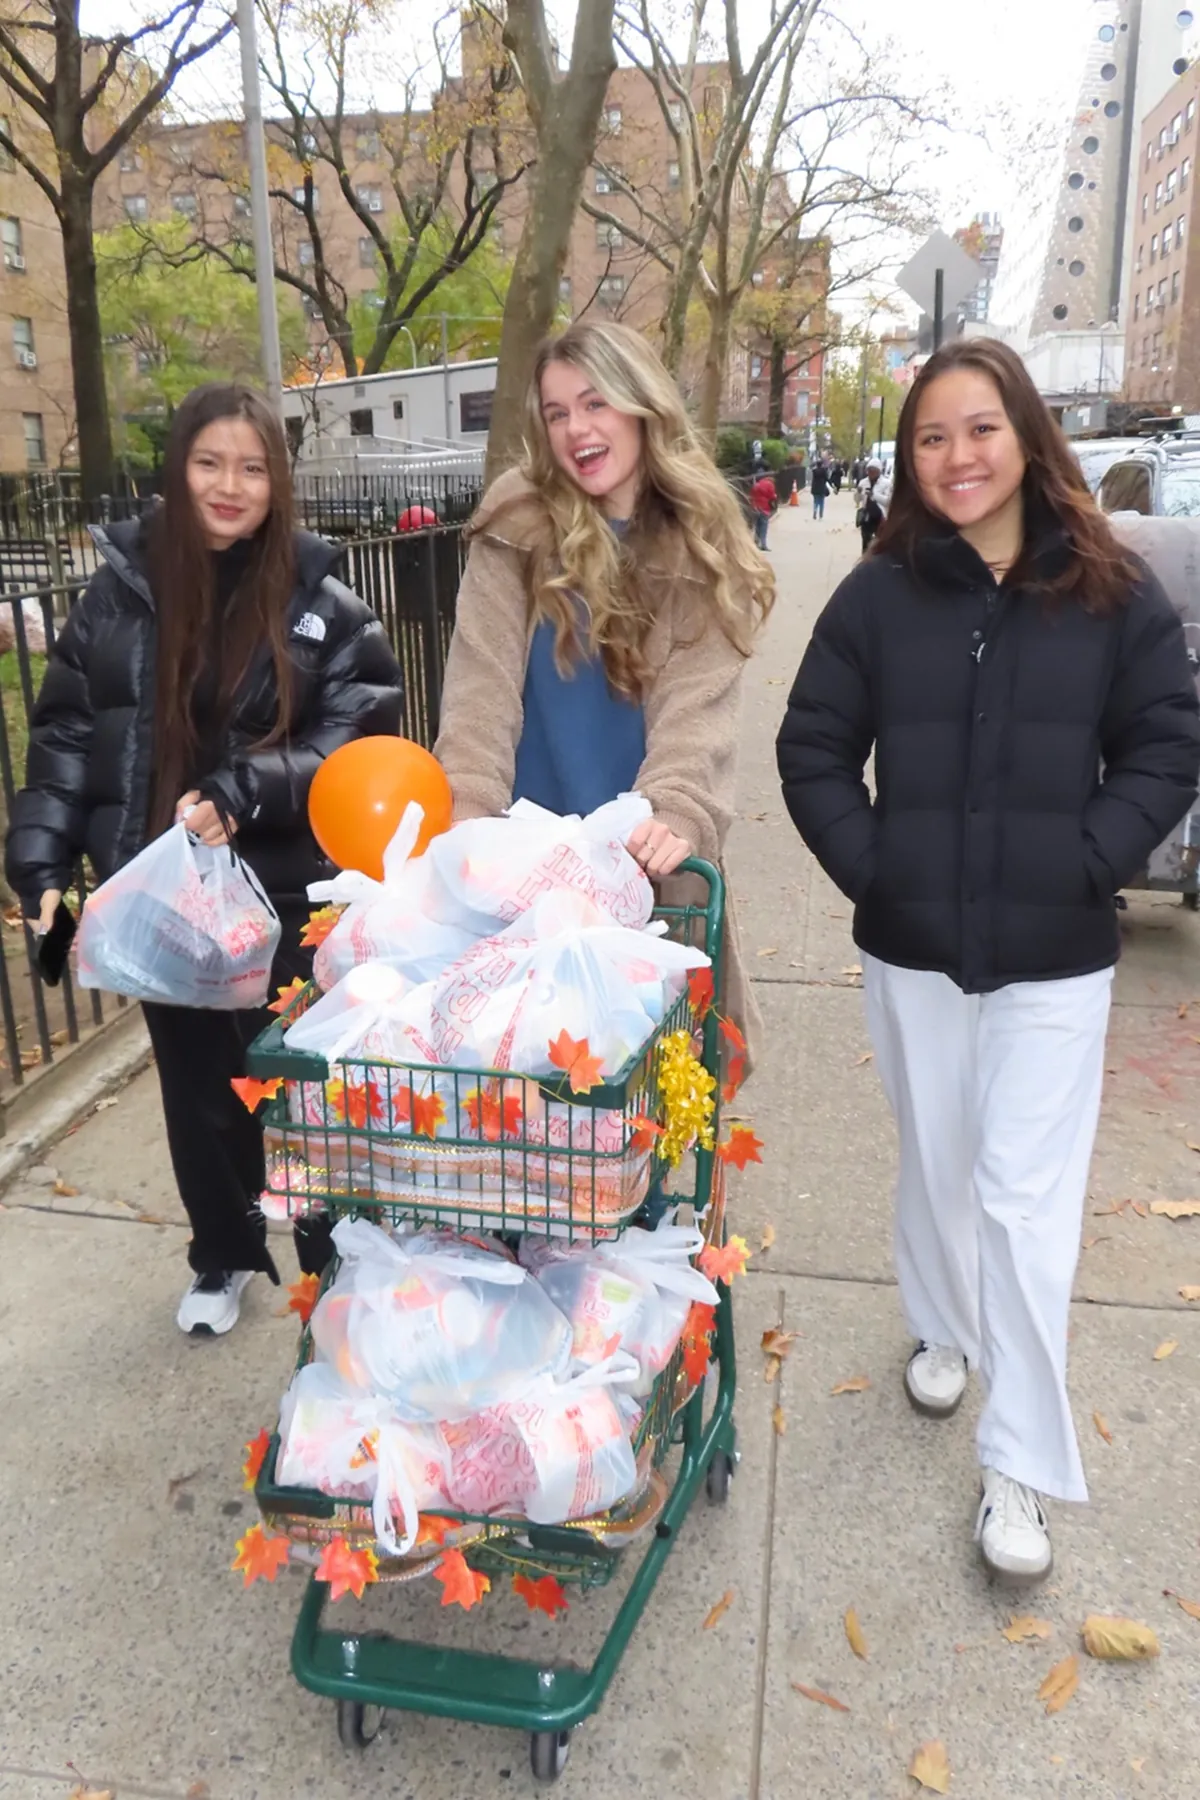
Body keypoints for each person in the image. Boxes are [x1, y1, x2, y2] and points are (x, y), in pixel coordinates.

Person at [776, 338, 1200, 1586]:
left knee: (1023, 1206)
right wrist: (882, 869)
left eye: (979, 429)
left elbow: (1167, 743)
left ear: (1026, 435)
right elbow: (811, 751)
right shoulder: (878, 593)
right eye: (930, 438)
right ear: (910, 460)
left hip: (1055, 957)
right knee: (939, 1158)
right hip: (914, 945)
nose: (957, 458)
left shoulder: (1112, 588)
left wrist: (1090, 859)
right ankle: (941, 1328)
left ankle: (1018, 1457)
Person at [6, 384, 404, 1337]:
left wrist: (247, 788)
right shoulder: (121, 590)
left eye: (253, 468)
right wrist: (41, 864)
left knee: (297, 1082)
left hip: (283, 893)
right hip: (165, 893)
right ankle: (223, 1252)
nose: (230, 486)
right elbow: (66, 731)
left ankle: (330, 1258)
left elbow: (358, 732)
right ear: (178, 469)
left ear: (279, 483)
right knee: (197, 1092)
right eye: (209, 462)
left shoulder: (321, 601)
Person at [433, 319, 775, 1062]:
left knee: (633, 1118)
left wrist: (675, 808)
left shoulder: (699, 546)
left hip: (639, 881)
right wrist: (464, 813)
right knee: (508, 1106)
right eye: (556, 413)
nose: (575, 429)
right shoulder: (516, 525)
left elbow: (698, 715)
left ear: (640, 403)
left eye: (594, 404)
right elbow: (479, 689)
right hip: (514, 876)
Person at [855, 459, 885, 553]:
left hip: (880, 517)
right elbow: (857, 500)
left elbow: (889, 501)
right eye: (869, 470)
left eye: (873, 470)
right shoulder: (863, 482)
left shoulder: (886, 483)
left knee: (880, 541)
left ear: (879, 471)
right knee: (865, 540)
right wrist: (858, 493)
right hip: (866, 516)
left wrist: (874, 495)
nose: (870, 473)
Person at [750, 465, 778, 551]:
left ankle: (756, 542)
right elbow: (772, 496)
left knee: (757, 526)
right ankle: (763, 544)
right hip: (765, 508)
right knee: (764, 527)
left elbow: (751, 496)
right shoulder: (769, 485)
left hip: (755, 507)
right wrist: (775, 496)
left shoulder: (756, 485)